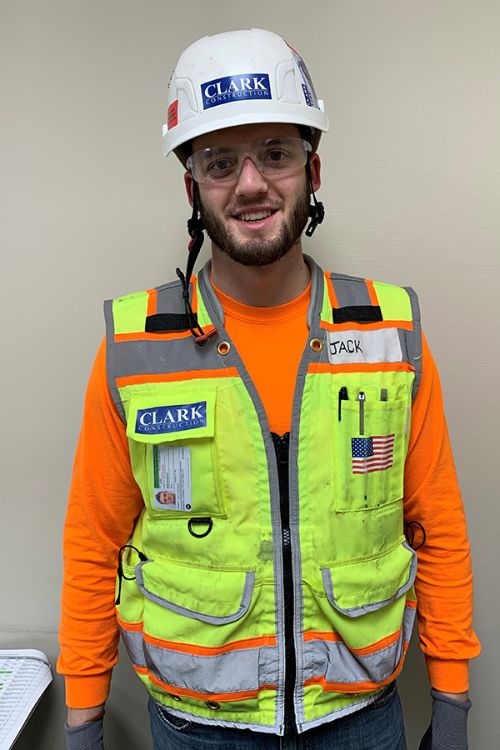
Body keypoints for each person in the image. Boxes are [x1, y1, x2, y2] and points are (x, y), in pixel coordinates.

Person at [59, 28, 480, 750]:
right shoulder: (135, 350)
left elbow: (437, 528)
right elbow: (93, 544)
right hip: (197, 729)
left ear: (313, 173)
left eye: (276, 154)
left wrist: (453, 706)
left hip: (361, 720)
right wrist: (83, 722)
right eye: (221, 162)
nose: (250, 184)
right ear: (193, 188)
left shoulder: (389, 334)